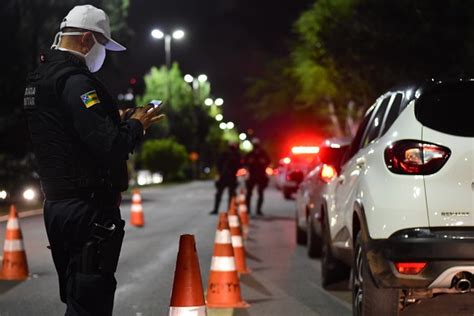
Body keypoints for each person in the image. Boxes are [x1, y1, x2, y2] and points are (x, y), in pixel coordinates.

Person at [23, 5, 164, 315]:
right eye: (102, 46)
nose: (104, 55)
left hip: (58, 206)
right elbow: (112, 146)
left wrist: (111, 118)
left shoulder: (41, 78)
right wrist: (136, 125)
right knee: (91, 303)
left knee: (77, 296)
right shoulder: (77, 82)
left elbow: (64, 128)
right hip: (88, 210)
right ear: (86, 40)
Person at [210, 143, 242, 214]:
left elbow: (239, 165)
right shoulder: (227, 154)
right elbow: (218, 163)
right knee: (221, 194)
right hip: (225, 177)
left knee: (230, 195)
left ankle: (228, 209)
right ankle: (219, 209)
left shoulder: (236, 155)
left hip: (229, 177)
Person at [244, 138, 271, 215]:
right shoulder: (250, 154)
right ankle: (248, 209)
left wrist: (263, 163)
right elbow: (245, 162)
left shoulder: (263, 153)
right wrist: (249, 163)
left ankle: (258, 210)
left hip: (261, 175)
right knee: (249, 193)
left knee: (260, 193)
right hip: (252, 175)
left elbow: (268, 161)